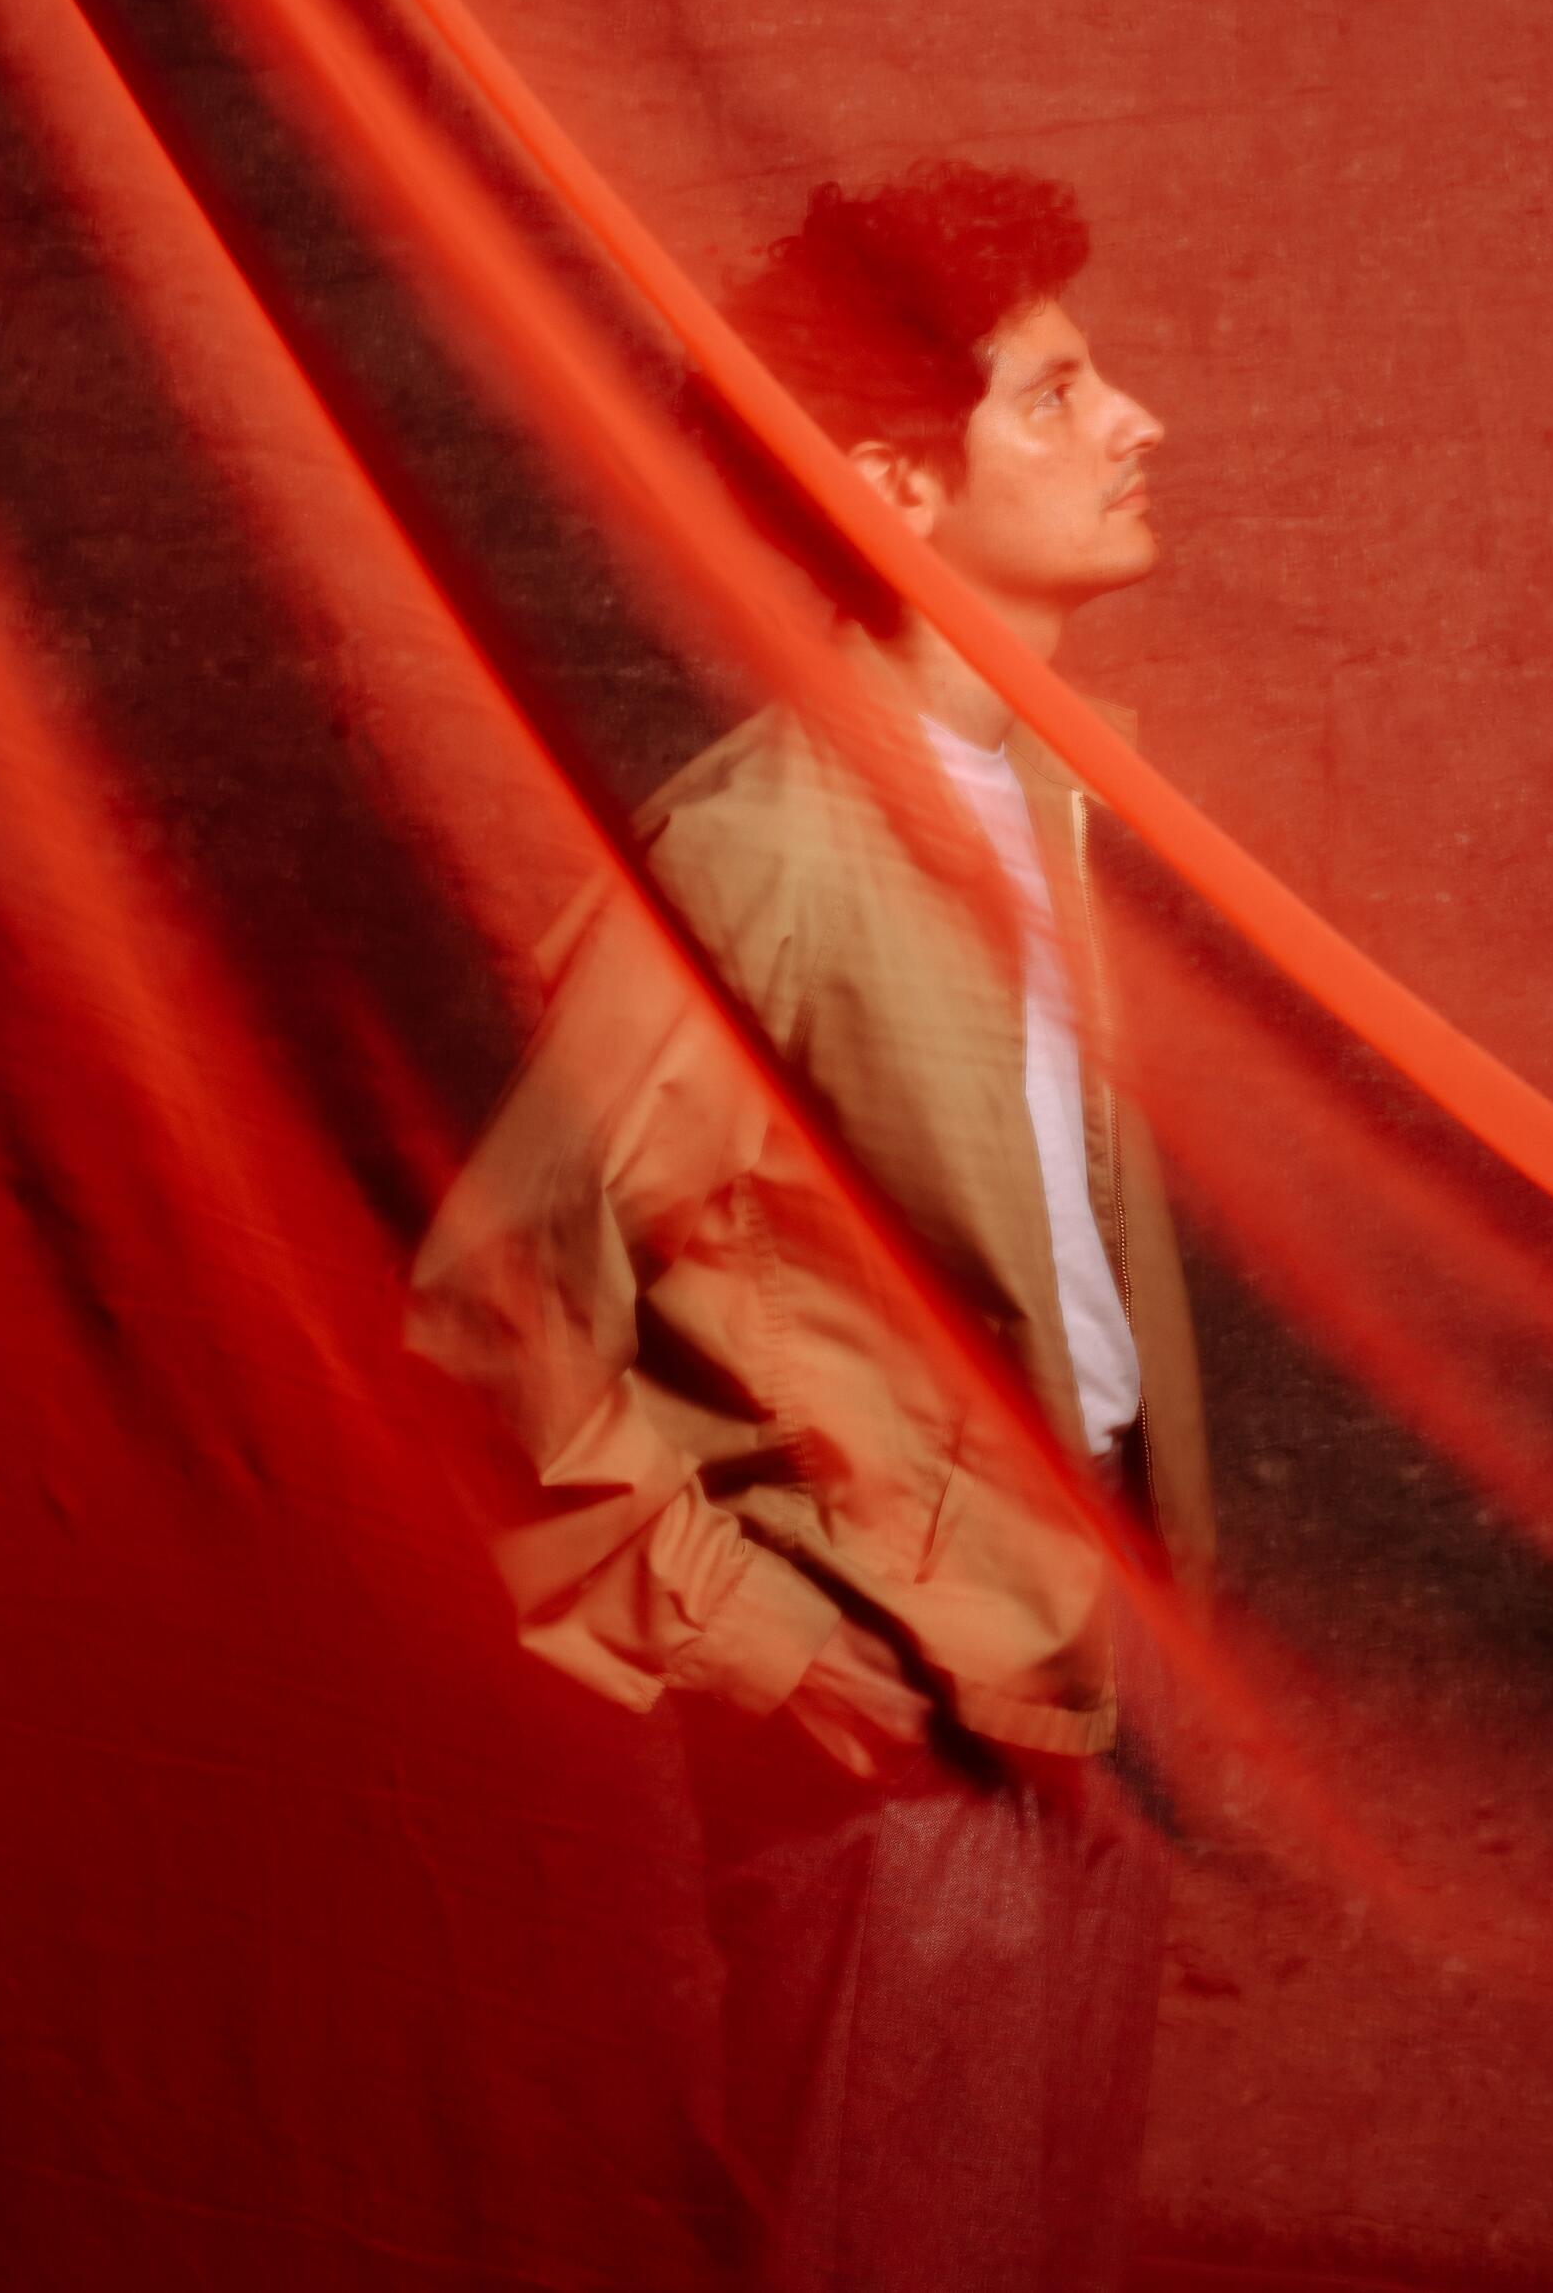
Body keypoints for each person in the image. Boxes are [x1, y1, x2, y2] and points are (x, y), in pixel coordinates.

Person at [407, 161, 1215, 2292]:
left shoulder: (1058, 792)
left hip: (1094, 1667)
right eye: (1050, 395)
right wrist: (774, 1647)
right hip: (899, 1712)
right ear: (894, 483)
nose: (1133, 418)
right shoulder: (766, 840)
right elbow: (502, 1286)